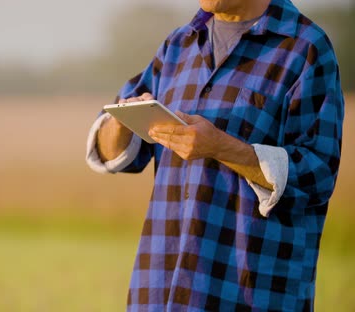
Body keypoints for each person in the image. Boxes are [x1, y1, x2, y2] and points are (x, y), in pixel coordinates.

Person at [85, 0, 344, 310]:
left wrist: (222, 147)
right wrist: (120, 121)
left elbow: (319, 174)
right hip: (159, 293)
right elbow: (110, 150)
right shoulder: (178, 46)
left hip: (248, 295)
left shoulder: (306, 49)